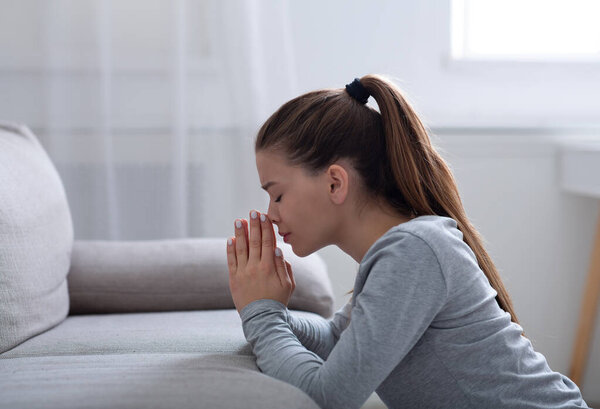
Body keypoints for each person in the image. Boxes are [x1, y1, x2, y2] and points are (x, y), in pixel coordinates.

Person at [225, 74, 588, 409]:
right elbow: (337, 341)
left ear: (335, 183)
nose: (270, 214)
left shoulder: (414, 252)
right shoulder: (402, 251)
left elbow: (327, 396)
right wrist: (266, 307)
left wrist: (264, 316)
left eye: (277, 195)